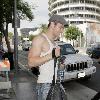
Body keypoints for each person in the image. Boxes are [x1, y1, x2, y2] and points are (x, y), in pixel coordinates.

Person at [28, 14, 68, 100]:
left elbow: (50, 65)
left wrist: (60, 65)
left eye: (63, 28)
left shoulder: (55, 43)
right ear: (53, 25)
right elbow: (31, 62)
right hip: (46, 85)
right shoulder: (40, 39)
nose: (62, 31)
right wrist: (52, 55)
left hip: (57, 84)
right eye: (60, 27)